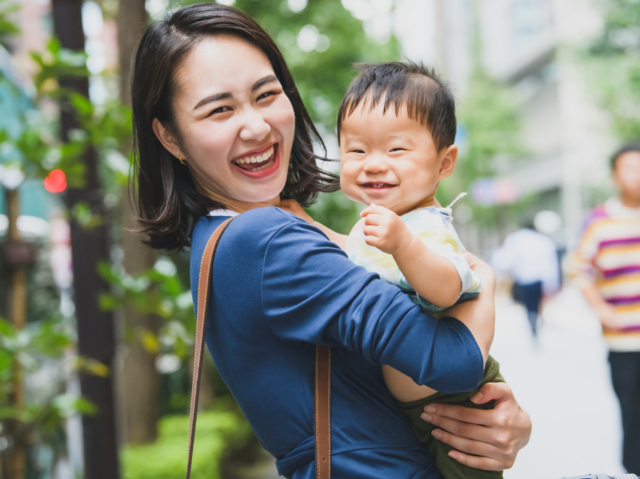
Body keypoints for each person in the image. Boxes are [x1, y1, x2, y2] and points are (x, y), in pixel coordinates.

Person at [130, 4, 531, 477]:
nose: (257, 127)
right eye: (220, 109)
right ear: (170, 137)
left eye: (266, 94)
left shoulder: (258, 229)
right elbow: (453, 363)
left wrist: (507, 424)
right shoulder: (264, 242)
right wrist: (481, 276)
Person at [322, 62, 504, 479]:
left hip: (459, 402)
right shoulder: (384, 224)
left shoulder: (425, 227)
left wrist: (404, 244)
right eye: (356, 150)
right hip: (413, 405)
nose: (373, 164)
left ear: (444, 163)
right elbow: (351, 253)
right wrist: (306, 224)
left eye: (397, 150)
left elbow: (447, 288)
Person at [568, 144, 640, 474]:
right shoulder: (598, 222)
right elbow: (577, 268)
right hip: (624, 341)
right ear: (615, 176)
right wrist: (600, 308)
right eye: (630, 168)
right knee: (634, 417)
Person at [493, 220, 560, 337]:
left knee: (528, 304)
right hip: (539, 279)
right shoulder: (542, 240)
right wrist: (552, 284)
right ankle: (536, 317)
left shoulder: (515, 240)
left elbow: (507, 260)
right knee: (537, 302)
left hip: (523, 279)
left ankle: (532, 319)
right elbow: (550, 263)